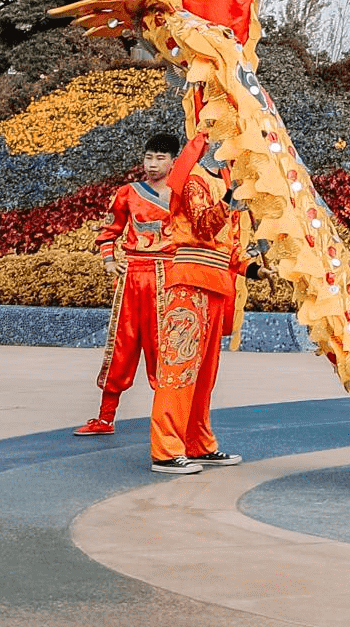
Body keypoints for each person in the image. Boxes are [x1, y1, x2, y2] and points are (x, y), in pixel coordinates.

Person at [148, 133, 254, 477]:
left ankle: (198, 443)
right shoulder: (193, 178)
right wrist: (229, 199)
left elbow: (228, 244)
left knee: (204, 375)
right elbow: (205, 225)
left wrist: (252, 267)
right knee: (179, 368)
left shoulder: (224, 183)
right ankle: (166, 450)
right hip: (189, 282)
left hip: (215, 284)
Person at [77, 131, 184, 437]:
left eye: (159, 158)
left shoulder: (183, 194)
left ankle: (169, 424)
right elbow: (109, 232)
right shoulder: (128, 192)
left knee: (163, 350)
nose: (152, 164)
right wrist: (110, 260)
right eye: (148, 158)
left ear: (173, 161)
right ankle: (105, 417)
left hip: (167, 277)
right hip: (132, 278)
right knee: (120, 347)